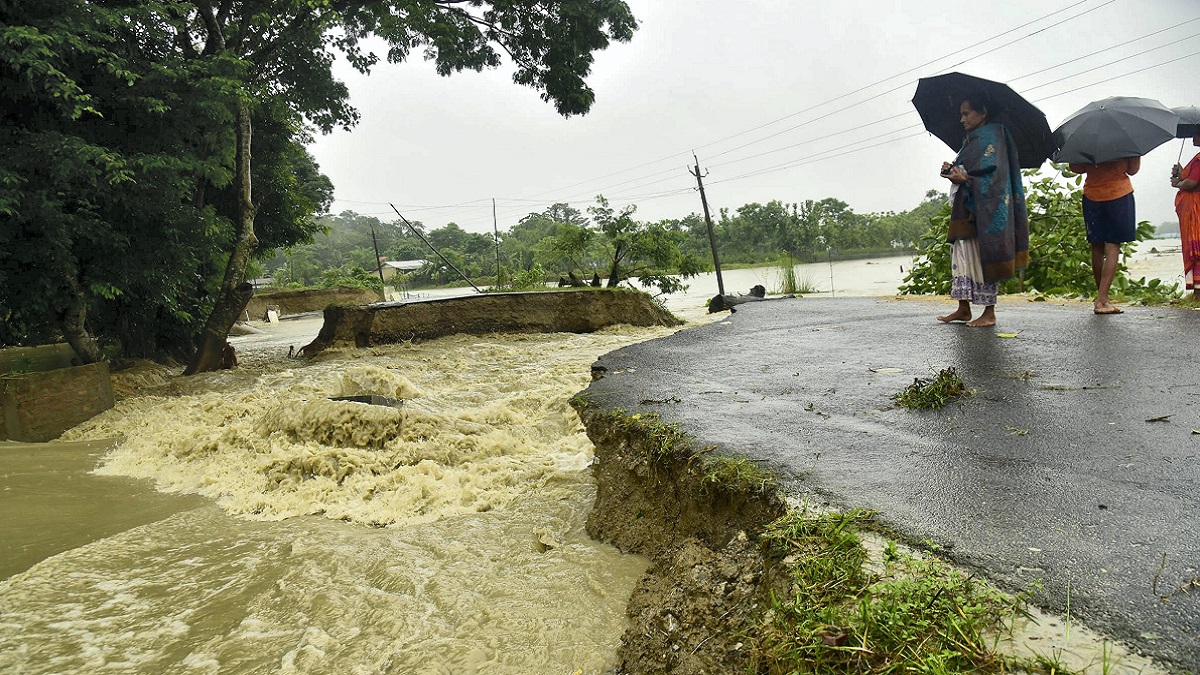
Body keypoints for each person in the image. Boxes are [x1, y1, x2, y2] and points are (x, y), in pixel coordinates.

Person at [937, 93, 1030, 327]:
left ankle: (989, 313)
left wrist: (965, 178)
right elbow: (969, 169)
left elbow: (994, 175)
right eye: (961, 114)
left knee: (982, 255)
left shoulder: (994, 135)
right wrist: (952, 170)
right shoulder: (971, 139)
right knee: (962, 254)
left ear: (983, 112)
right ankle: (963, 308)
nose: (962, 119)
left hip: (987, 207)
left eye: (966, 113)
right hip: (966, 206)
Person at [1068, 157, 1140, 314]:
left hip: (1092, 195)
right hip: (1119, 194)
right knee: (1112, 247)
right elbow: (1133, 169)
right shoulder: (1124, 139)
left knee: (1097, 247)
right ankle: (1101, 300)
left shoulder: (1085, 138)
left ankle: (1103, 298)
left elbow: (1075, 167)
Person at [1170, 131, 1200, 300]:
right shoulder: (1196, 158)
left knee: (1196, 248)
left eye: (1196, 134)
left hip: (1195, 210)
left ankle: (1198, 292)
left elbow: (1192, 182)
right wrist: (1182, 173)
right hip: (1191, 208)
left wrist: (1178, 183)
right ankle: (1196, 290)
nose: (1193, 137)